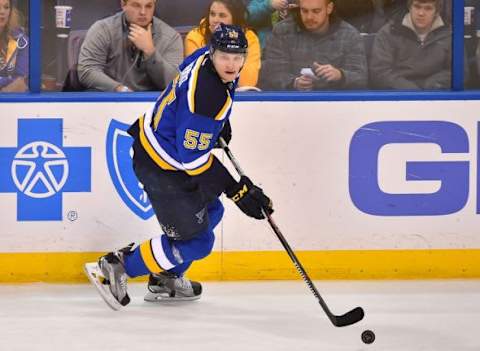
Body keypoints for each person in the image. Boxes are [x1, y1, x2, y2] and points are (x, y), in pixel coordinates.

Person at [85, 24, 274, 309]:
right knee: (198, 243)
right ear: (213, 53)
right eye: (225, 57)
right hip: (162, 166)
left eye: (237, 57)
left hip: (163, 147)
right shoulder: (208, 98)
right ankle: (118, 266)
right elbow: (193, 160)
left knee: (211, 211)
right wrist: (236, 190)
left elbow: (184, 76)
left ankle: (165, 277)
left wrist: (216, 126)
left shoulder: (203, 59)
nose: (232, 64)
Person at [259, 0, 367, 91]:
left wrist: (340, 75)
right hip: (292, 104)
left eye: (316, 11)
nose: (309, 17)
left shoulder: (350, 35)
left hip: (335, 105)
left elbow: (361, 78)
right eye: (304, 11)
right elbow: (272, 73)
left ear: (329, 8)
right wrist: (294, 83)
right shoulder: (282, 31)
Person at [77, 0, 183, 92]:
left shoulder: (171, 37)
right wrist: (119, 89)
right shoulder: (103, 30)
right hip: (110, 100)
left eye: (148, 6)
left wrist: (150, 51)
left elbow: (175, 82)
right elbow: (87, 70)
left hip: (152, 105)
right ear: (123, 4)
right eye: (136, 5)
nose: (143, 12)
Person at [369, 0, 452, 89]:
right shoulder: (389, 32)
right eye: (417, 6)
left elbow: (459, 71)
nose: (421, 13)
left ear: (437, 12)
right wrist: (411, 91)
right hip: (399, 96)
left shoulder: (448, 34)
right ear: (409, 7)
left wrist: (431, 86)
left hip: (437, 95)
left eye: (428, 8)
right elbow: (380, 72)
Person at [184, 0, 261, 88]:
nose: (215, 20)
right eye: (212, 14)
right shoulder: (195, 37)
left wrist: (233, 42)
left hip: (239, 96)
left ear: (235, 18)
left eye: (222, 15)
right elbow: (197, 77)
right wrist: (216, 42)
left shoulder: (249, 38)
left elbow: (247, 82)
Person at [0, 0, 28, 93]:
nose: (2, 12)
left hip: (10, 98)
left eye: (6, 7)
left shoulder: (21, 41)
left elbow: (21, 78)